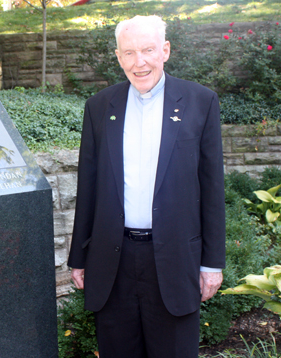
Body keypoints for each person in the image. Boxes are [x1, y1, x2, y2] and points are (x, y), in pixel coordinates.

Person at [67, 15, 225, 358]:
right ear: (118, 56)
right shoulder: (99, 107)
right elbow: (88, 186)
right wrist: (79, 256)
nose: (139, 62)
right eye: (129, 52)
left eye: (148, 50)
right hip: (113, 260)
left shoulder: (201, 102)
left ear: (165, 51)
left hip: (174, 260)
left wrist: (212, 263)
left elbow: (212, 189)